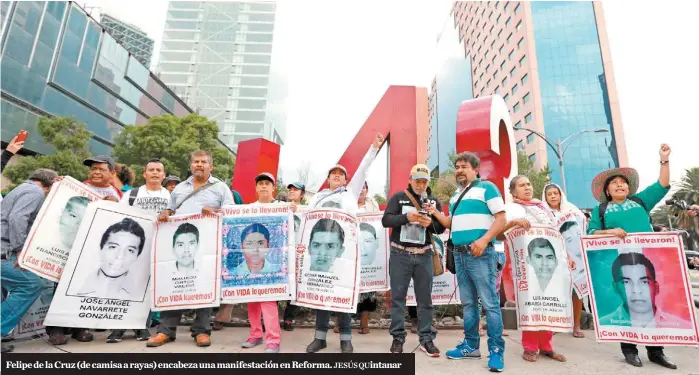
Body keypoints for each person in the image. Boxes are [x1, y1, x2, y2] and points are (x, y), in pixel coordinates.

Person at [587, 144, 676, 369]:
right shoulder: (601, 211)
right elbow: (590, 234)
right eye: (614, 183)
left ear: (629, 188)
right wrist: (610, 232)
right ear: (607, 191)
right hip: (620, 265)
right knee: (626, 304)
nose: (620, 185)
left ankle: (657, 351)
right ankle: (629, 349)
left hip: (647, 262)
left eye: (623, 182)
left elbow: (662, 185)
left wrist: (664, 160)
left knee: (650, 303)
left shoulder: (640, 201)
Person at [305, 132, 384, 354]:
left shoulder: (350, 193)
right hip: (320, 253)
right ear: (328, 178)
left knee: (343, 295)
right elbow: (307, 220)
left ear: (347, 179)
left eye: (341, 174)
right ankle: (319, 338)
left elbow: (363, 168)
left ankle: (346, 339)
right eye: (333, 174)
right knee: (321, 294)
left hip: (344, 253)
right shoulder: (317, 197)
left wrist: (373, 148)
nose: (337, 176)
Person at [427, 153, 506, 371]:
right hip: (460, 255)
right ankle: (471, 346)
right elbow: (450, 223)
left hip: (480, 254)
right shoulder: (455, 195)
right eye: (457, 167)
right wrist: (434, 212)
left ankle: (496, 351)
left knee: (490, 304)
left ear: (476, 169)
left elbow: (501, 218)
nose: (460, 170)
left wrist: (483, 240)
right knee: (469, 304)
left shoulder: (487, 188)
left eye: (464, 167)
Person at [148, 150, 233, 348]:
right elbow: (171, 209)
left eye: (204, 162)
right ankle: (166, 331)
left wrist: (216, 211)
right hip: (179, 248)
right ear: (191, 165)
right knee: (175, 284)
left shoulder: (220, 188)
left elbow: (231, 213)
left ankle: (202, 331)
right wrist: (167, 212)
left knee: (203, 287)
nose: (200, 165)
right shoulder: (179, 188)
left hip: (207, 249)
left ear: (210, 166)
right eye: (196, 161)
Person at [499, 175, 574, 364]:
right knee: (531, 303)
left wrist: (567, 256)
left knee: (549, 302)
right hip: (527, 265)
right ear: (513, 191)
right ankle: (530, 347)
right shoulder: (511, 209)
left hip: (551, 264)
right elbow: (500, 234)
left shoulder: (543, 208)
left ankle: (547, 346)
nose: (527, 188)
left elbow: (556, 235)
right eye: (522, 185)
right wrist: (514, 223)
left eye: (529, 184)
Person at [382, 163, 446, 357]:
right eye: (417, 180)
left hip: (424, 254)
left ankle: (426, 339)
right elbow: (386, 220)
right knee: (398, 299)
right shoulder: (398, 198)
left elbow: (440, 229)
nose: (420, 184)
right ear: (410, 180)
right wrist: (406, 217)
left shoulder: (433, 201)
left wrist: (429, 223)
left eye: (424, 181)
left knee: (425, 300)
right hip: (400, 254)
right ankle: (398, 339)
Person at [107, 162, 168, 343]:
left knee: (148, 290)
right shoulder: (132, 194)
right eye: (151, 170)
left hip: (158, 248)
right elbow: (119, 217)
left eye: (158, 170)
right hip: (132, 248)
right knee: (125, 286)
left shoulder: (171, 197)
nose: (155, 173)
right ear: (145, 174)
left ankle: (142, 326)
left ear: (164, 175)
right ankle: (118, 328)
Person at [1, 169, 58, 352]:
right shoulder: (36, 192)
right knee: (31, 285)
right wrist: (20, 249)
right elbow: (17, 218)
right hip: (5, 251)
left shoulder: (20, 188)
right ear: (48, 186)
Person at [239, 172, 283, 353]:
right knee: (252, 299)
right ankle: (255, 334)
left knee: (268, 300)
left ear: (274, 187)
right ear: (256, 188)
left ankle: (273, 340)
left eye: (267, 183)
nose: (264, 186)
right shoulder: (250, 208)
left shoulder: (282, 207)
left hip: (271, 263)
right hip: (251, 265)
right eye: (260, 183)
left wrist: (295, 209)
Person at [599, 252, 690, 329]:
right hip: (624, 340)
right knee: (628, 348)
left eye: (644, 282)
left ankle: (655, 350)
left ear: (656, 287)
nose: (637, 291)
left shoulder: (684, 327)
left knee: (655, 349)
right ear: (615, 288)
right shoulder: (604, 325)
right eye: (626, 282)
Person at [542, 183, 586, 338]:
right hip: (556, 256)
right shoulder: (543, 214)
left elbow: (583, 230)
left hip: (577, 257)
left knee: (577, 291)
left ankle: (577, 325)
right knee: (556, 291)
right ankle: (556, 324)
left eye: (556, 193)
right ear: (545, 198)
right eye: (550, 194)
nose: (553, 196)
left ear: (561, 195)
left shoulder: (573, 212)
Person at [75, 218, 146, 299]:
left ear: (137, 256)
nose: (120, 256)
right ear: (101, 248)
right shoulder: (77, 286)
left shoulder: (139, 296)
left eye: (130, 250)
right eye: (113, 247)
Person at [283, 181, 305, 331]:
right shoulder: (278, 206)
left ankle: (289, 318)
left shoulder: (307, 210)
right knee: (279, 283)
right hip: (282, 252)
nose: (292, 191)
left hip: (298, 254)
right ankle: (270, 317)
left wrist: (298, 209)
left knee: (296, 286)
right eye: (290, 189)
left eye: (295, 190)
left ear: (302, 194)